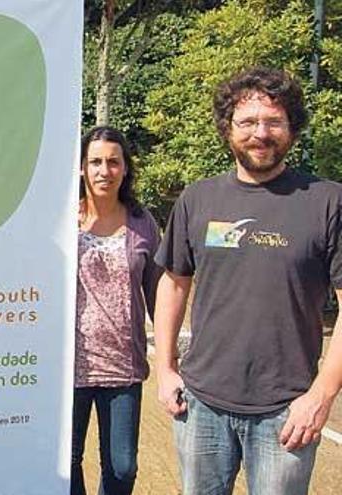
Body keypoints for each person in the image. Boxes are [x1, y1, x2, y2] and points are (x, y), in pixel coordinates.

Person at [154, 67, 342, 495]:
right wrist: (165, 368)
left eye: (274, 121)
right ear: (227, 129)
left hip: (287, 409)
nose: (261, 133)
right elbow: (174, 283)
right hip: (200, 404)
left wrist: (321, 395)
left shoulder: (328, 201)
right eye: (248, 122)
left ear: (292, 128)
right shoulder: (198, 198)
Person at [71, 126, 161, 495]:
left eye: (112, 162)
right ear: (80, 168)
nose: (103, 170)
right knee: (63, 462)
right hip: (69, 369)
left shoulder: (143, 224)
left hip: (122, 367)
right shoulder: (60, 219)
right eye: (94, 162)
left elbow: (159, 293)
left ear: (125, 169)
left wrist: (171, 358)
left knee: (122, 467)